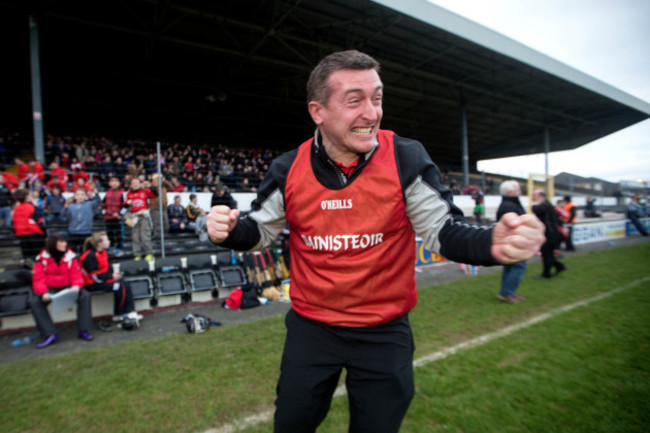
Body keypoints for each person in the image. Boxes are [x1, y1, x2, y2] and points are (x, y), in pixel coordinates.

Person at [206, 50, 544, 433]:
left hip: (385, 330)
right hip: (312, 328)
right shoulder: (288, 168)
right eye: (355, 100)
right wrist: (229, 231)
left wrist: (491, 244)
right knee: (292, 424)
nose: (372, 113)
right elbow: (260, 231)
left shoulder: (406, 157)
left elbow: (443, 231)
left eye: (377, 98)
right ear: (318, 111)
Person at [29, 232, 93, 348]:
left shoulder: (70, 257)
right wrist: (43, 293)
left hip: (68, 286)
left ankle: (84, 330)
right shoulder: (41, 259)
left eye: (65, 241)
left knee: (85, 296)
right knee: (35, 302)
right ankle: (50, 334)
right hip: (50, 288)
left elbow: (76, 274)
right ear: (54, 244)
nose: (65, 244)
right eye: (62, 242)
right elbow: (38, 279)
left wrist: (76, 286)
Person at [80, 231, 141, 323]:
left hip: (103, 280)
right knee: (119, 286)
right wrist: (110, 277)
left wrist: (113, 275)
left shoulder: (103, 252)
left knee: (124, 282)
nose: (109, 241)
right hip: (92, 284)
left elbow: (106, 269)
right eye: (107, 240)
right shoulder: (89, 256)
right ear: (100, 243)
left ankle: (129, 312)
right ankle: (120, 314)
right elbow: (95, 277)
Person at [496, 180, 527, 304]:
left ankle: (506, 292)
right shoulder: (509, 206)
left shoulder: (508, 204)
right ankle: (507, 292)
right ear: (510, 193)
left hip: (510, 240)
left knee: (510, 266)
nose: (519, 192)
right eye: (517, 190)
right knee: (518, 266)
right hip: (513, 241)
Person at [532, 189, 567, 279]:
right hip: (551, 233)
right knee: (548, 254)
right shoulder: (548, 205)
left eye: (534, 195)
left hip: (549, 234)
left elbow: (535, 209)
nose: (533, 197)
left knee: (546, 254)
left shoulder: (545, 206)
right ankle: (559, 266)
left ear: (540, 196)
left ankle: (546, 274)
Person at [125, 177, 157, 261]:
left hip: (144, 217)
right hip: (134, 218)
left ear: (140, 184)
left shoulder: (145, 191)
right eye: (133, 183)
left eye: (137, 182)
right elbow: (125, 205)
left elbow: (155, 194)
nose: (135, 184)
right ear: (131, 185)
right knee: (135, 237)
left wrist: (150, 187)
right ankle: (137, 255)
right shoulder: (129, 194)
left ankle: (149, 254)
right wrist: (127, 204)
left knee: (145, 236)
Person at [12, 188, 46, 262]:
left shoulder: (15, 210)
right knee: (40, 257)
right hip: (34, 235)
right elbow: (40, 221)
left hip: (22, 236)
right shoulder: (32, 207)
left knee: (28, 258)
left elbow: (14, 224)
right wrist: (45, 234)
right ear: (27, 197)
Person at [63, 187, 97, 254]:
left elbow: (98, 203)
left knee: (86, 251)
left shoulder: (89, 204)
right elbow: (63, 217)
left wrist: (93, 196)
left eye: (82, 195)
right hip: (73, 232)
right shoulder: (71, 206)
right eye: (78, 194)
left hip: (86, 232)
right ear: (74, 196)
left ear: (85, 196)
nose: (80, 196)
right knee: (71, 252)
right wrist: (66, 206)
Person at [102, 176, 126, 256]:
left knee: (118, 234)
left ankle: (119, 248)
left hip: (117, 218)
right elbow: (103, 204)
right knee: (109, 234)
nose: (114, 183)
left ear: (119, 183)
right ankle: (111, 247)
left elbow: (125, 206)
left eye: (116, 181)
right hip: (108, 217)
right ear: (109, 183)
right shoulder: (107, 193)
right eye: (112, 181)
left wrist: (119, 214)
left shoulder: (122, 193)